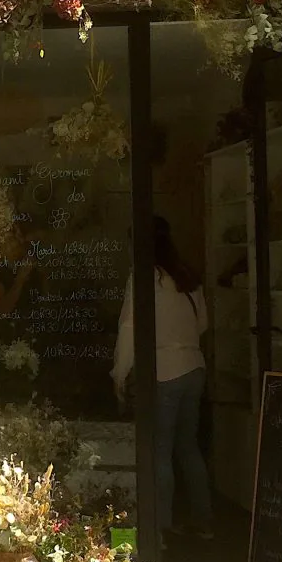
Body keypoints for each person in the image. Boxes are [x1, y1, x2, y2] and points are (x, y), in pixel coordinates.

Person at [112, 216, 213, 541]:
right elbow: (203, 325)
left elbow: (129, 328)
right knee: (188, 447)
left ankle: (161, 528)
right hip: (194, 368)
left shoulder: (143, 278)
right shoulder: (187, 277)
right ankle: (204, 521)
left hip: (165, 371)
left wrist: (119, 372)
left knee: (160, 449)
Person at [0, 223, 35, 316]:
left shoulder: (25, 256)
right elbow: (2, 309)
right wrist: (20, 280)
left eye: (14, 238)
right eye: (8, 242)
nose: (14, 244)